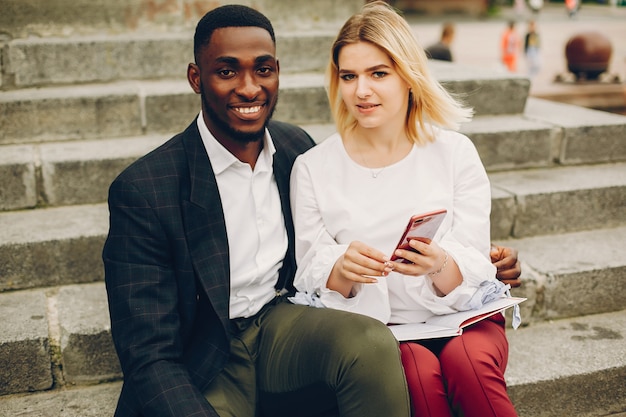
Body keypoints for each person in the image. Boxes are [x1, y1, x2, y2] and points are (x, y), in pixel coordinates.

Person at [102, 4, 413, 417]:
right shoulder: (144, 190)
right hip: (202, 353)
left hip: (278, 324)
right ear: (196, 78)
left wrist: (469, 258)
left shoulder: (295, 149)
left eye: (263, 70)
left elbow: (352, 219)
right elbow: (147, 353)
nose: (250, 88)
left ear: (277, 72)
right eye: (227, 71)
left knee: (370, 343)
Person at [290, 2, 519, 417]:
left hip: (461, 316)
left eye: (378, 73)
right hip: (381, 329)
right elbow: (307, 269)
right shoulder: (313, 167)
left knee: (467, 366)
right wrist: (341, 269)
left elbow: (475, 257)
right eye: (349, 76)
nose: (362, 90)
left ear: (408, 76)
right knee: (417, 374)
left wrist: (439, 263)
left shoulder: (454, 153)